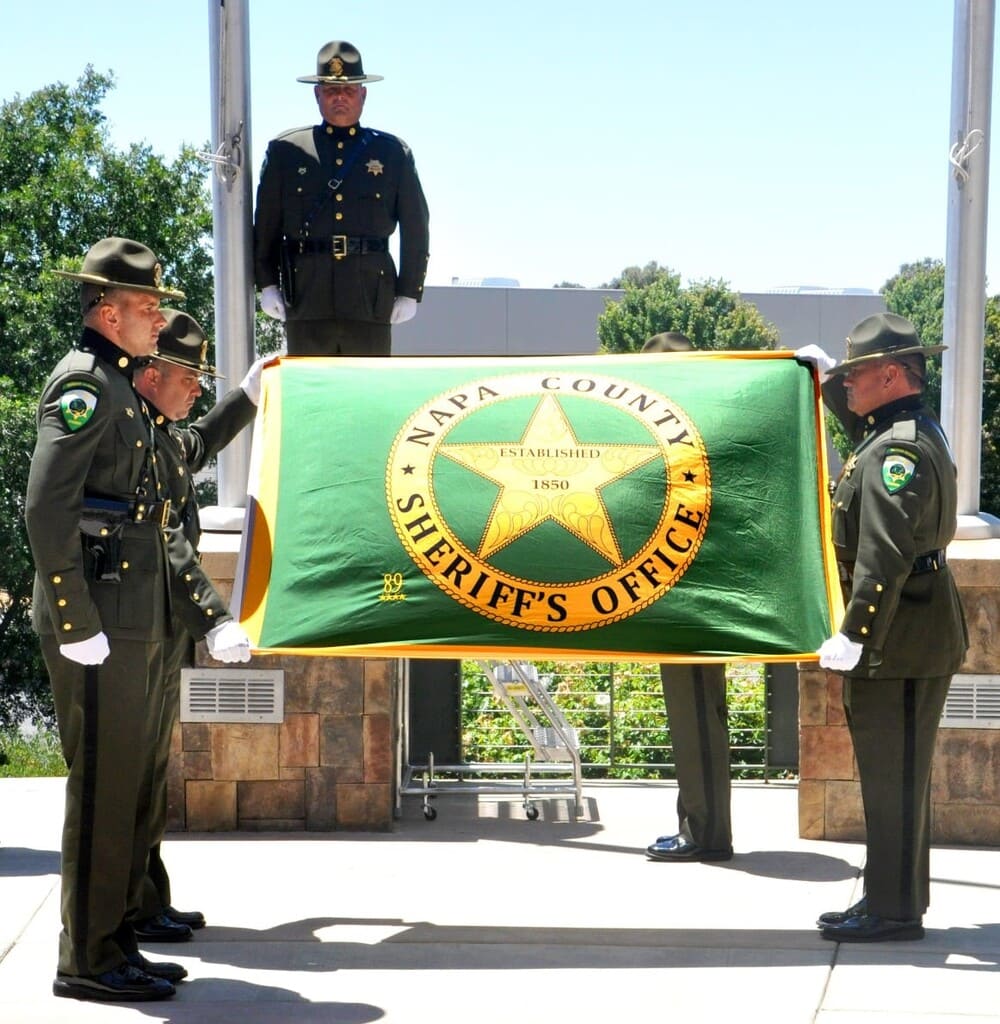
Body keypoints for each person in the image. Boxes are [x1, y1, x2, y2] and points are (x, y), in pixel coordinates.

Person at [25, 238, 252, 1002]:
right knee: (103, 790)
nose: (158, 319)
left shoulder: (123, 391)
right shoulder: (84, 385)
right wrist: (72, 614)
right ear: (107, 310)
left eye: (157, 306)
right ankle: (85, 959)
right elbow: (46, 507)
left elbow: (152, 516)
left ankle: (116, 938)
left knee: (129, 787)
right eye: (148, 307)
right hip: (100, 619)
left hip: (133, 617)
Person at [810, 313, 968, 943]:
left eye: (855, 375)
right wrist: (818, 381)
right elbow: (857, 423)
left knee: (894, 779)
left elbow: (885, 554)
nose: (847, 386)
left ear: (893, 375)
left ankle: (894, 912)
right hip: (911, 636)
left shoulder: (895, 453)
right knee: (894, 776)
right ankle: (891, 897)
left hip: (899, 641)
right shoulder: (898, 432)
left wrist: (855, 635)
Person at [131, 310, 262, 943]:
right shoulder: (134, 438)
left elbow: (203, 440)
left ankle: (147, 902)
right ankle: (125, 913)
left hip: (160, 631)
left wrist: (247, 398)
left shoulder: (164, 434)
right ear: (151, 372)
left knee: (151, 778)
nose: (196, 389)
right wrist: (214, 617)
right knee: (127, 783)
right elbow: (161, 537)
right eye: (188, 375)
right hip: (134, 632)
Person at [254, 39, 430, 356]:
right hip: (306, 294)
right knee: (309, 394)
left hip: (369, 296)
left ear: (363, 94)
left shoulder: (392, 153)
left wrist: (409, 290)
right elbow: (265, 224)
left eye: (348, 90)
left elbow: (416, 225)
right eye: (331, 90)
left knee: (368, 393)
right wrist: (267, 284)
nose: (340, 98)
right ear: (317, 94)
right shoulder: (287, 151)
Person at [639, 332, 734, 863]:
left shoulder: (688, 437)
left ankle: (706, 833)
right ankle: (699, 824)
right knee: (697, 715)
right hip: (689, 595)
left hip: (691, 598)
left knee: (695, 713)